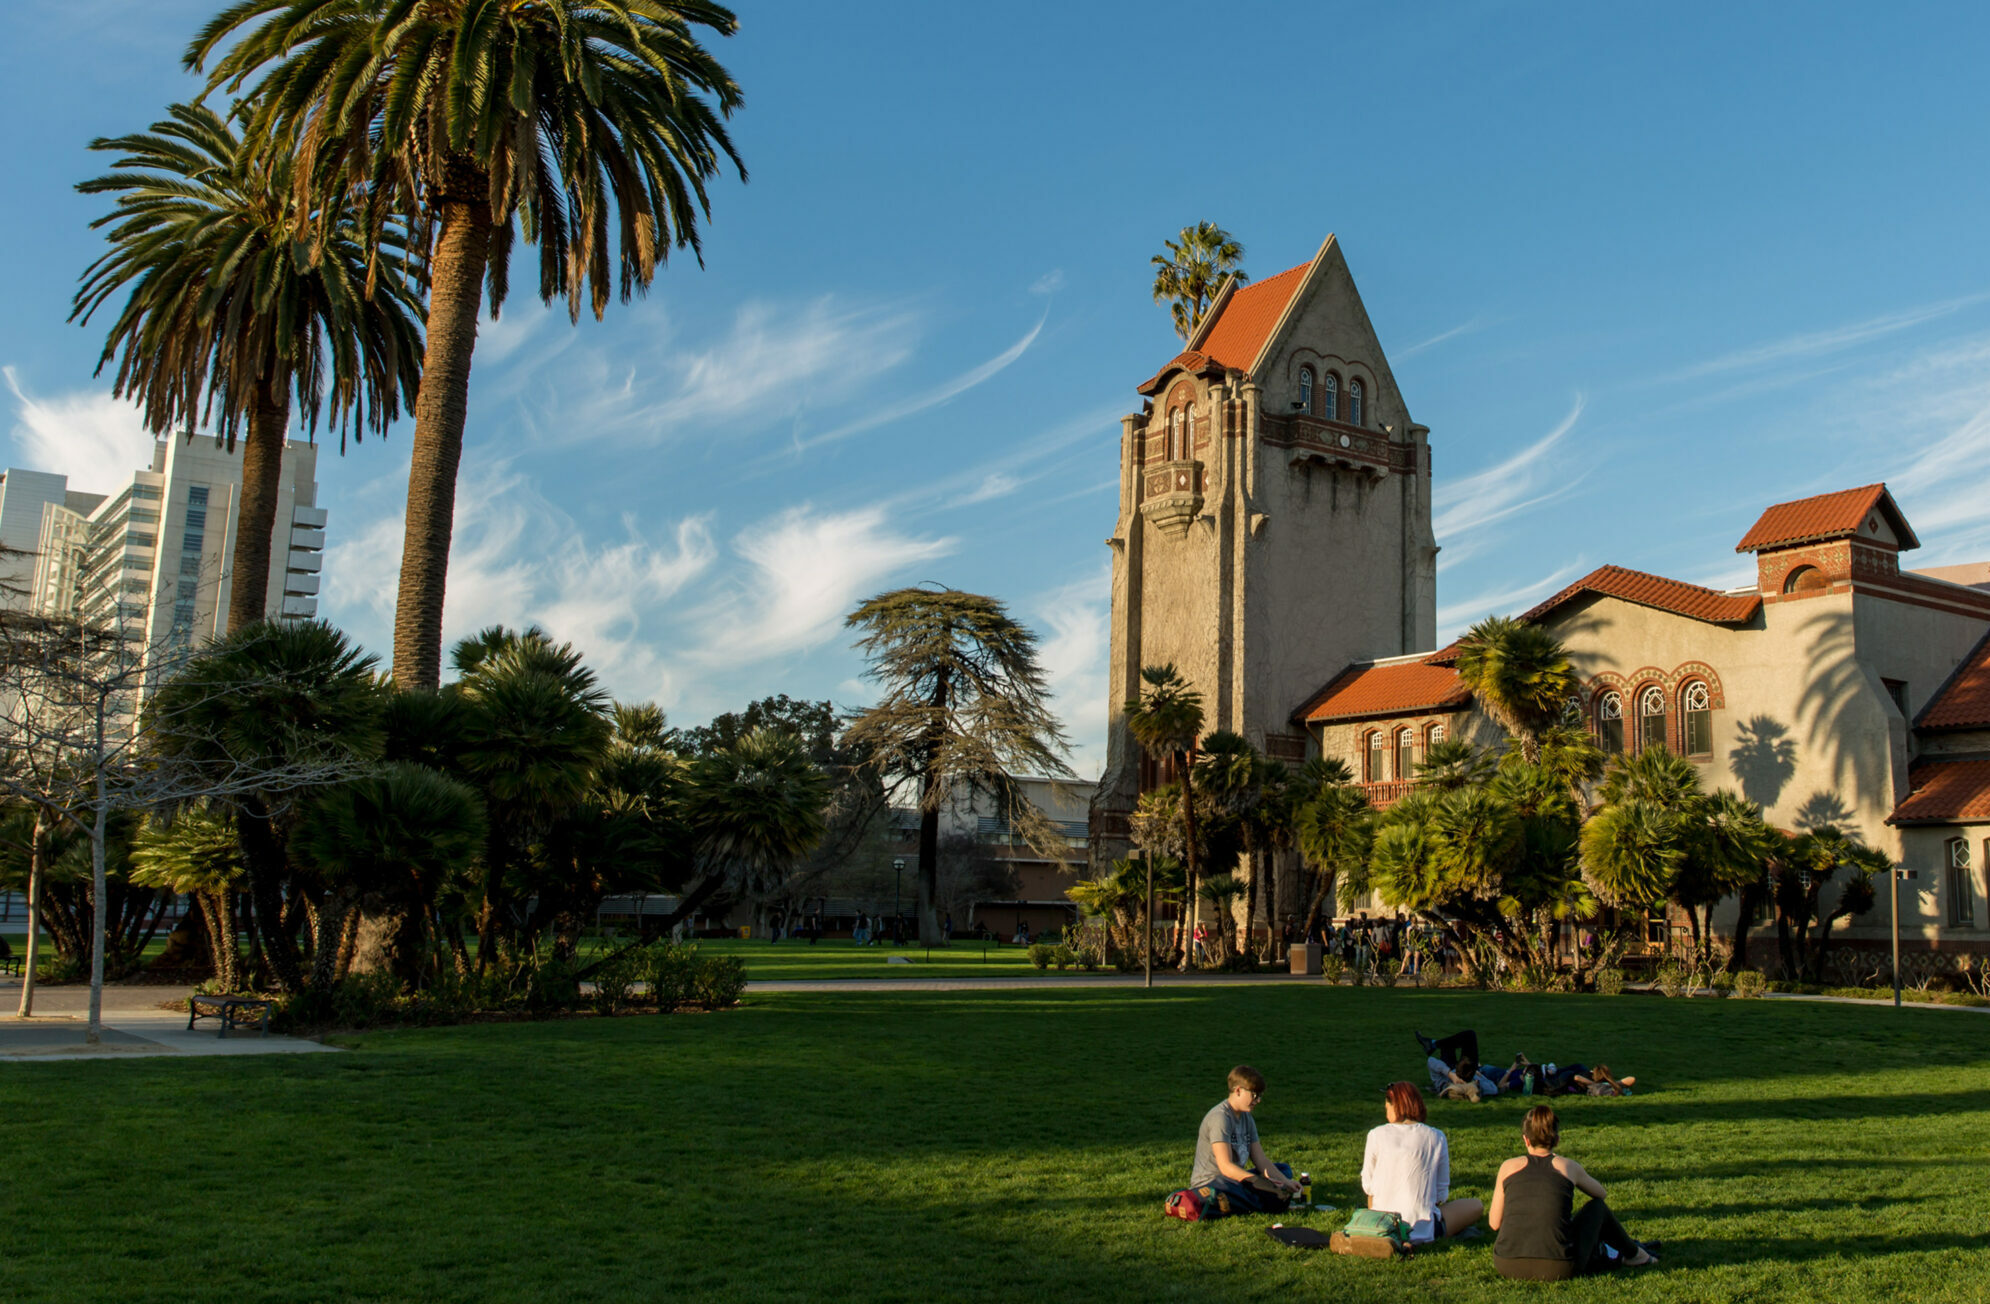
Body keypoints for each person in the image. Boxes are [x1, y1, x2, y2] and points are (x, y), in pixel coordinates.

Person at [1489, 1105, 1658, 1280]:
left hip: (1506, 1263)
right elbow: (1600, 1193)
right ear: (1557, 1140)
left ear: (1526, 1140)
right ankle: (1636, 1255)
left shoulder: (1508, 1167)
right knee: (1598, 1208)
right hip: (1559, 1267)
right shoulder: (1568, 1166)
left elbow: (1494, 1223)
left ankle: (1624, 1252)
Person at [1362, 1082, 1483, 1242]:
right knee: (1476, 1205)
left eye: (1387, 1107)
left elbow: (1368, 1186)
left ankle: (1384, 1228)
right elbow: (1441, 1195)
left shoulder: (1376, 1134)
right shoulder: (1437, 1137)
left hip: (1381, 1225)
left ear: (1395, 1106)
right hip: (1423, 1229)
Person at [1188, 1065, 1301, 1214]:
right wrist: (1258, 1182)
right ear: (1238, 1090)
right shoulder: (1220, 1118)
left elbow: (1261, 1160)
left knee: (1284, 1170)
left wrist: (1286, 1183)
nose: (1258, 1100)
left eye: (1260, 1096)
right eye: (1254, 1095)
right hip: (1214, 1183)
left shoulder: (1247, 1118)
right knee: (1257, 1189)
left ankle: (1262, 1197)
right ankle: (1263, 1200)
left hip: (1236, 1179)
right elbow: (1225, 1166)